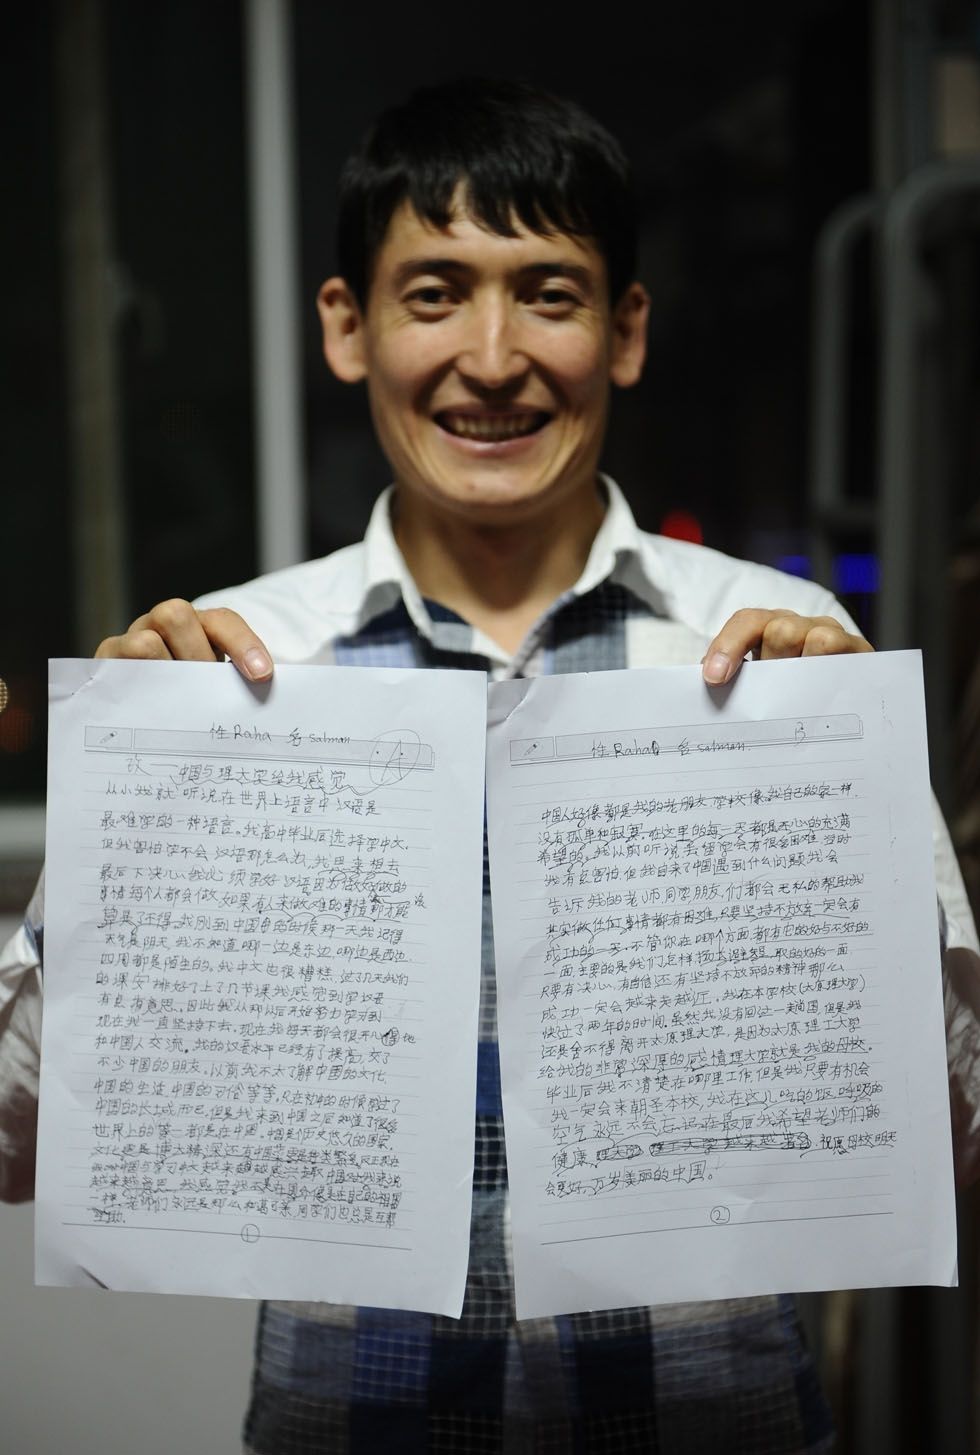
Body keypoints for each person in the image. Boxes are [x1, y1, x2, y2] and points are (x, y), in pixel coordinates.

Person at [3, 78, 979, 1454]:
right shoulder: (237, 671)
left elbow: (951, 1133)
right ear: (347, 327)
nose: (495, 354)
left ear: (626, 332)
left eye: (553, 295)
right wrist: (124, 846)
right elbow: (19, 1142)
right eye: (436, 291)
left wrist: (856, 844)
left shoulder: (776, 658)